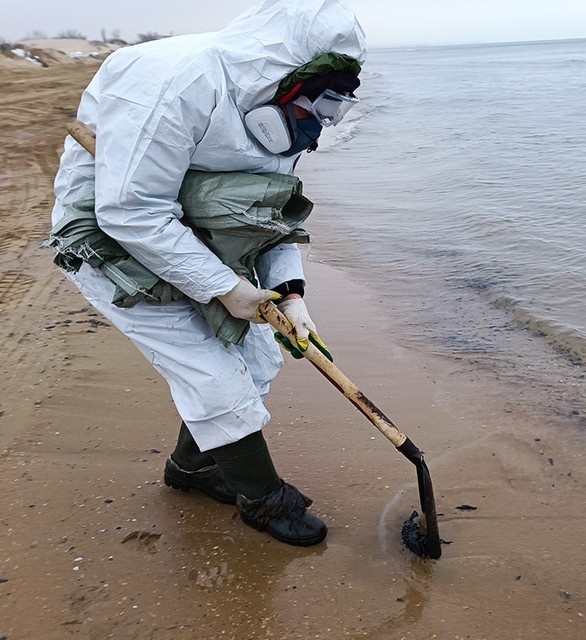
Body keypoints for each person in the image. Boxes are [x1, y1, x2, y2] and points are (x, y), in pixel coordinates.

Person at [48, 0, 367, 547]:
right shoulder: (175, 84)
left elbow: (267, 212)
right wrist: (226, 288)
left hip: (204, 232)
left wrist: (289, 295)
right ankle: (264, 498)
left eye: (333, 107)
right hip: (111, 238)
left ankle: (191, 468)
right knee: (211, 373)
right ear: (288, 78)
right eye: (320, 103)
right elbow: (130, 211)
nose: (320, 123)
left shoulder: (288, 117)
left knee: (260, 357)